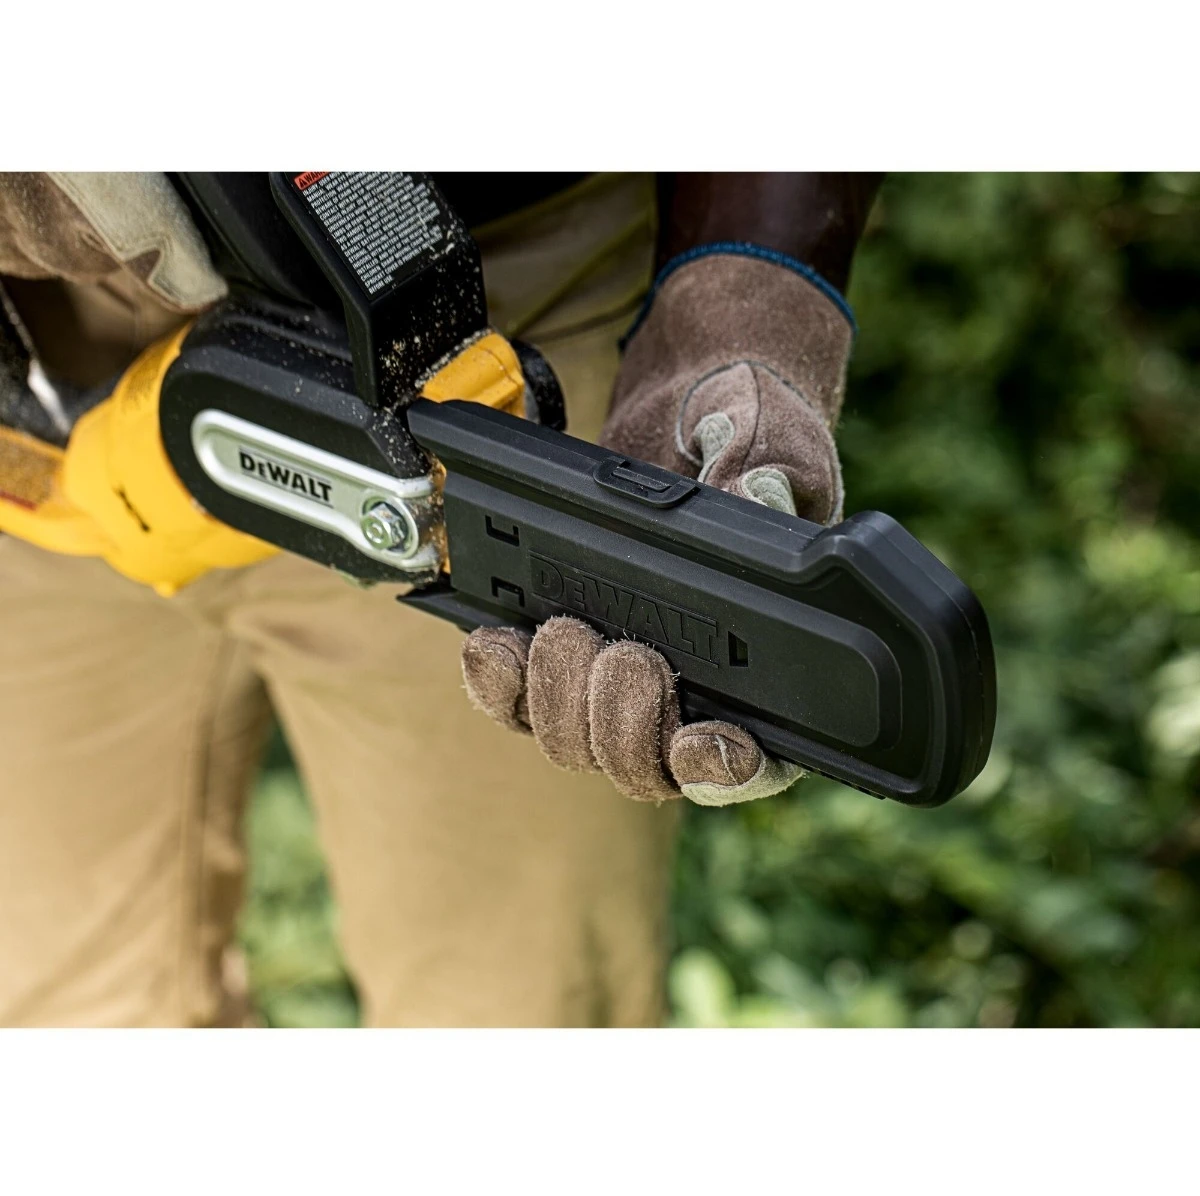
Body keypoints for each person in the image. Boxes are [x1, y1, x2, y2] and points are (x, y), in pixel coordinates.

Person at [0, 171, 880, 1027]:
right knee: (66, 1004)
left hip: (476, 340)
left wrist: (744, 294)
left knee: (511, 1016)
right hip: (34, 366)